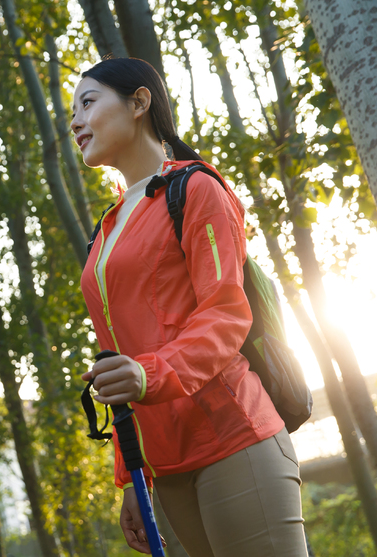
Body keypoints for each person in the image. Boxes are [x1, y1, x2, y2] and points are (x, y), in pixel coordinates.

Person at [73, 58, 305, 556]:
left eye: (87, 102)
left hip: (234, 439)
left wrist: (148, 375)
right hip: (163, 466)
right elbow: (118, 363)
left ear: (139, 102)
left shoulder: (194, 188)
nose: (74, 121)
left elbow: (225, 314)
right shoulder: (106, 230)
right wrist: (131, 476)